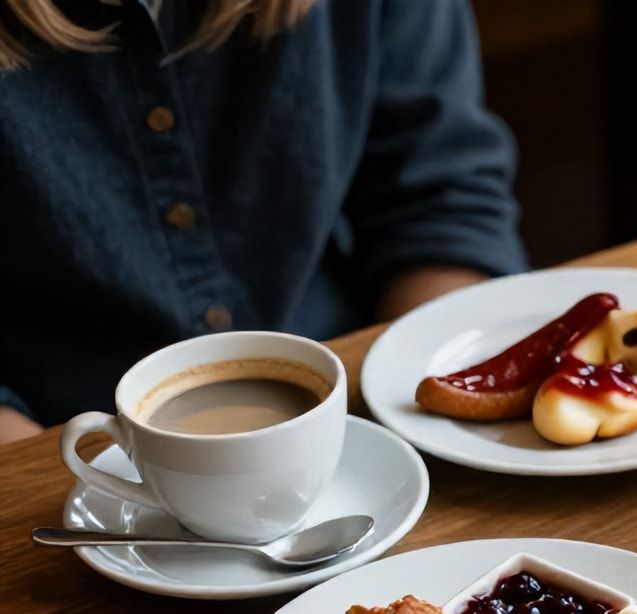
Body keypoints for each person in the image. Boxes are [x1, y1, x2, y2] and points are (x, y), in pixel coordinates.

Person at [0, 1, 525, 614]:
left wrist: (436, 406)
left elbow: (442, 195)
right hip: (51, 565)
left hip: (364, 447)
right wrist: (112, 497)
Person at [0, 0, 528, 445]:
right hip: (60, 449)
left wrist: (413, 422)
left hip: (361, 404)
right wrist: (75, 493)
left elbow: (441, 202)